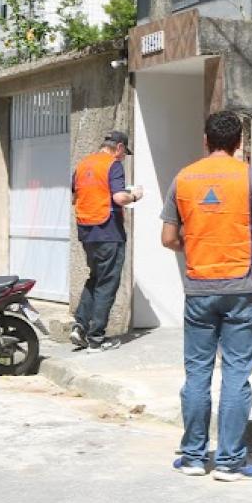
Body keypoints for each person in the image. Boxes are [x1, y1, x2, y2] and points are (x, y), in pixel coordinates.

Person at [161, 111, 252, 482]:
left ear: (205, 140)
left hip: (198, 287)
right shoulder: (249, 177)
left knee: (197, 373)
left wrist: (195, 246)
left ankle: (193, 457)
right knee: (236, 376)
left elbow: (167, 238)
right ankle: (228, 462)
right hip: (241, 288)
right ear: (239, 142)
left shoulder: (184, 178)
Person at [70, 130, 143, 351]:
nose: (122, 157)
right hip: (108, 230)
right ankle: (96, 338)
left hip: (86, 230)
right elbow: (119, 197)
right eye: (123, 153)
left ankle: (80, 326)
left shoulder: (83, 165)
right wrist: (135, 196)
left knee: (95, 278)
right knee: (108, 283)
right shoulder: (112, 164)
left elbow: (75, 196)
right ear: (119, 147)